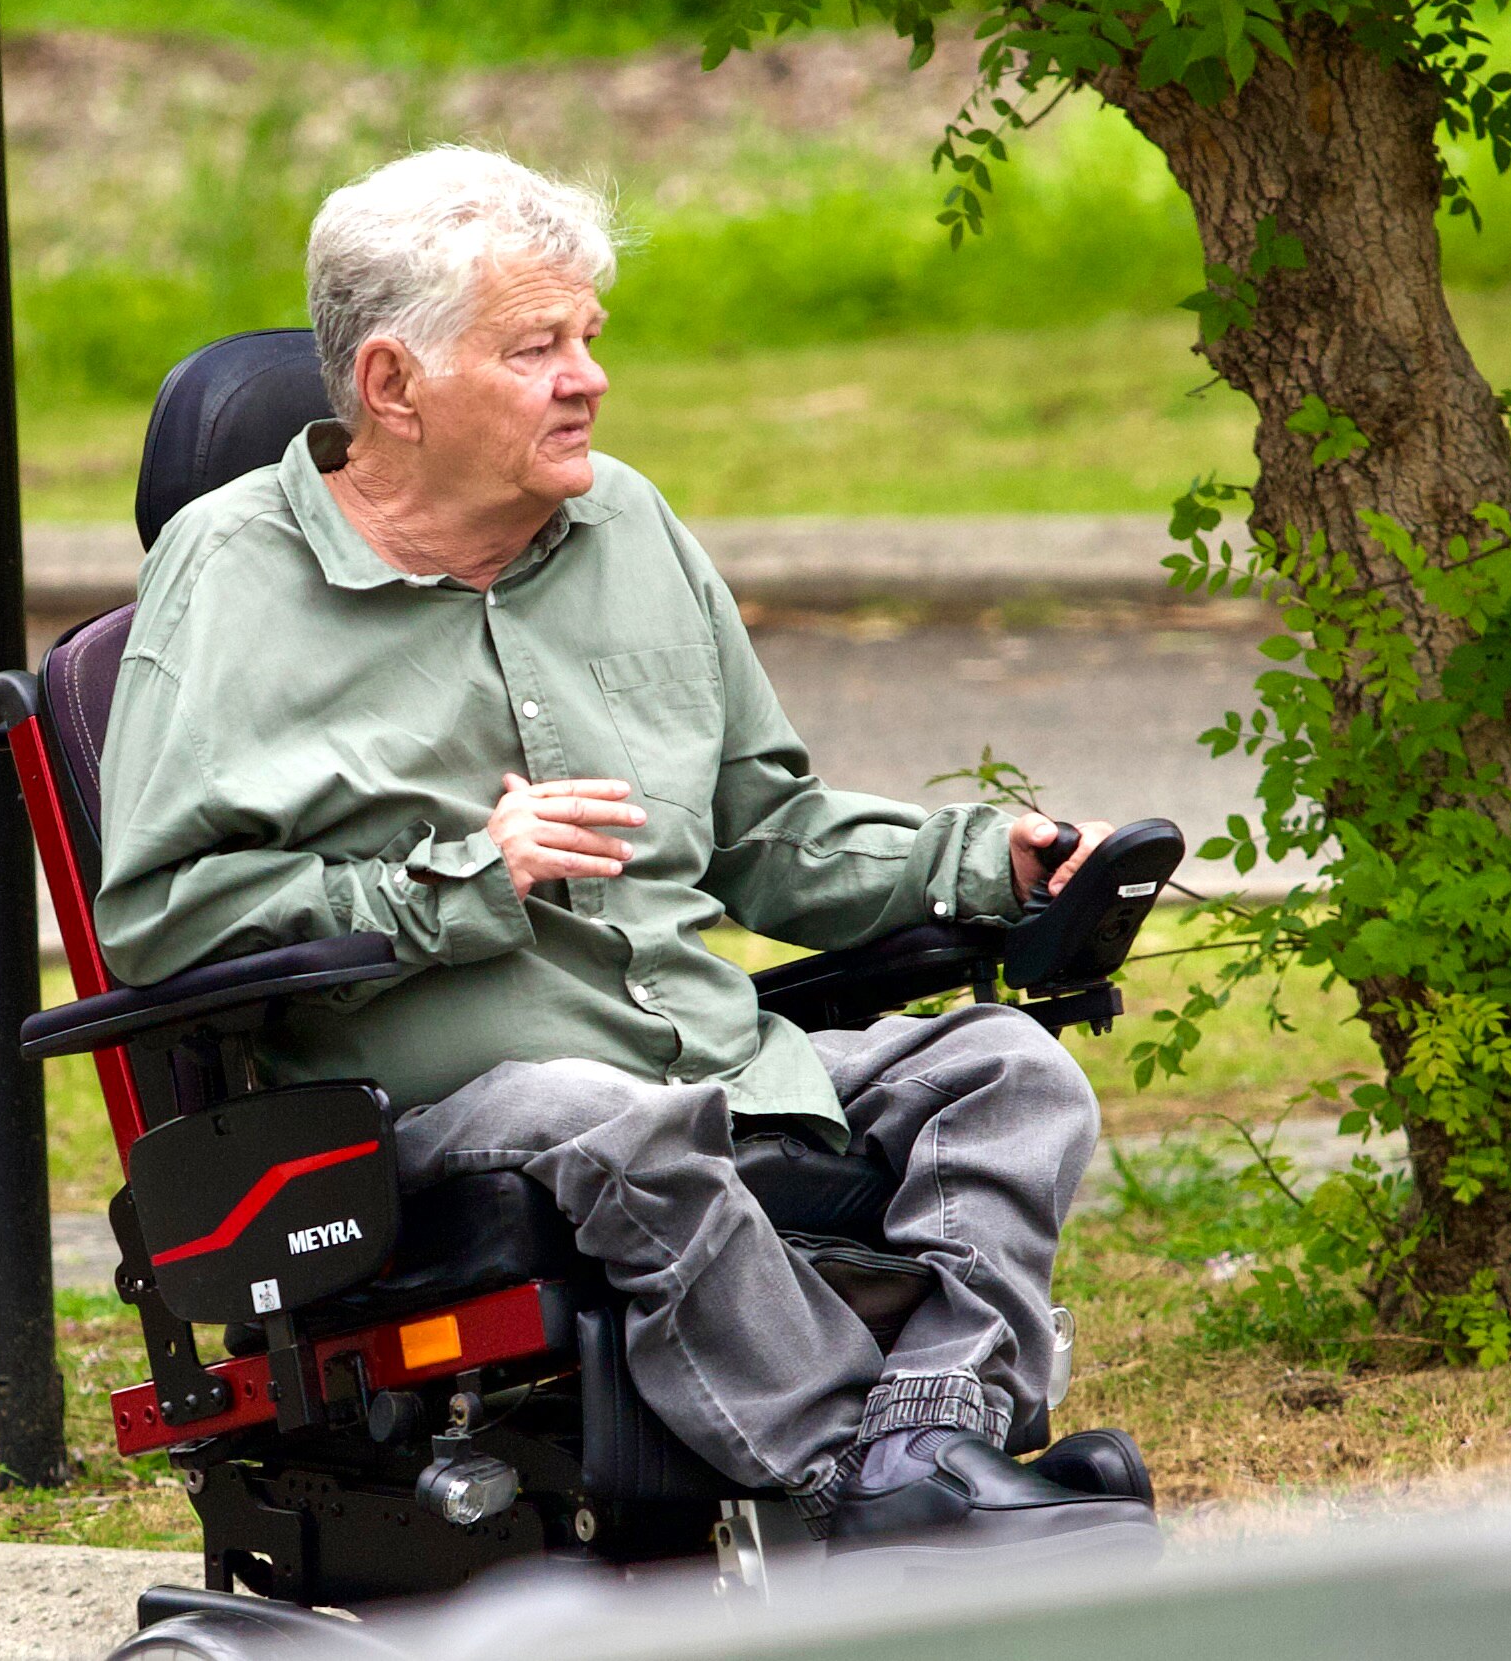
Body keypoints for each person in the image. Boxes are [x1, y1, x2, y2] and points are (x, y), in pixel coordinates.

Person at [93, 145, 1155, 1553]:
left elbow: (765, 834)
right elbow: (161, 922)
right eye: (536, 346)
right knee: (598, 1111)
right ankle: (856, 1478)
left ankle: (933, 1435)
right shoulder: (229, 581)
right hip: (431, 1110)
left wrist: (983, 863)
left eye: (587, 337)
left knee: (1011, 1071)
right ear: (394, 386)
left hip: (710, 1060)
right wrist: (461, 877)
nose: (587, 377)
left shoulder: (630, 526)